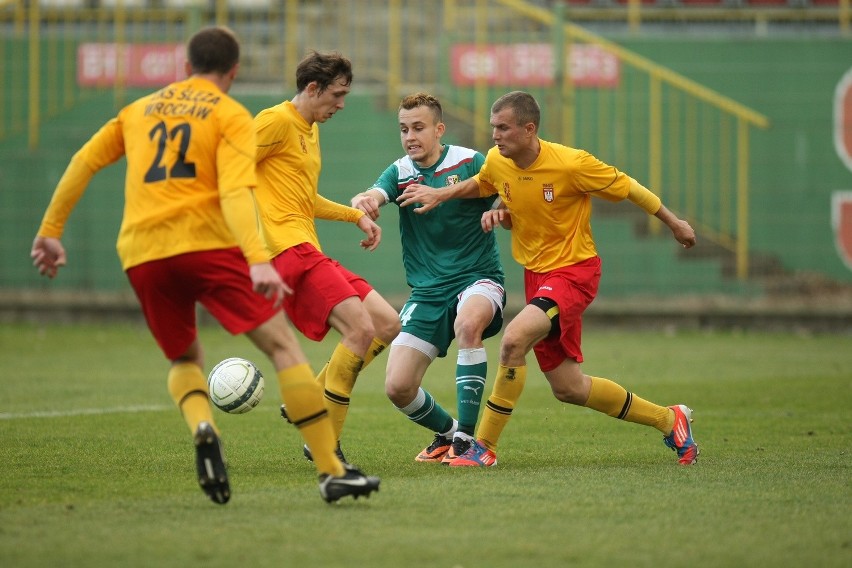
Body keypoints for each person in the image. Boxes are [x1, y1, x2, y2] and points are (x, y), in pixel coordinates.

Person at [30, 26, 380, 504]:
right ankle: (330, 468)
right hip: (208, 246)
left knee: (183, 359)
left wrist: (50, 231)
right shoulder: (233, 116)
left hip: (143, 251)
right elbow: (237, 190)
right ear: (233, 72)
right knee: (283, 349)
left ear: (185, 67)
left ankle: (202, 427)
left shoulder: (137, 110)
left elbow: (83, 161)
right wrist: (257, 259)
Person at [397, 90, 700, 467]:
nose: (495, 135)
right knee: (569, 387)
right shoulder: (497, 160)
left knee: (513, 340)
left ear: (529, 129)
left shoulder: (572, 165)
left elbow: (630, 188)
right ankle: (670, 419)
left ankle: (482, 447)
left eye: (503, 128)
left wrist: (675, 224)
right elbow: (485, 184)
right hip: (536, 277)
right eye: (493, 127)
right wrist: (464, 202)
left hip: (574, 272)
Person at [253, 51, 401, 462]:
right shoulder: (275, 121)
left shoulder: (310, 129)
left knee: (387, 323)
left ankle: (313, 395)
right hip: (287, 251)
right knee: (359, 330)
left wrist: (355, 215)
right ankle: (325, 449)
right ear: (313, 88)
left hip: (306, 247)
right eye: (337, 95)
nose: (341, 104)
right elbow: (229, 171)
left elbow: (304, 198)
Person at [351, 92, 506, 464]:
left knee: (469, 324)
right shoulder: (401, 171)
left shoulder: (470, 161)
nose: (410, 137)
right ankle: (448, 434)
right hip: (428, 291)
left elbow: (507, 193)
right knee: (398, 386)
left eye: (418, 128)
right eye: (404, 129)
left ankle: (470, 443)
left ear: (439, 129)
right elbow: (376, 192)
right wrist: (364, 201)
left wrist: (500, 210)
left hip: (478, 279)